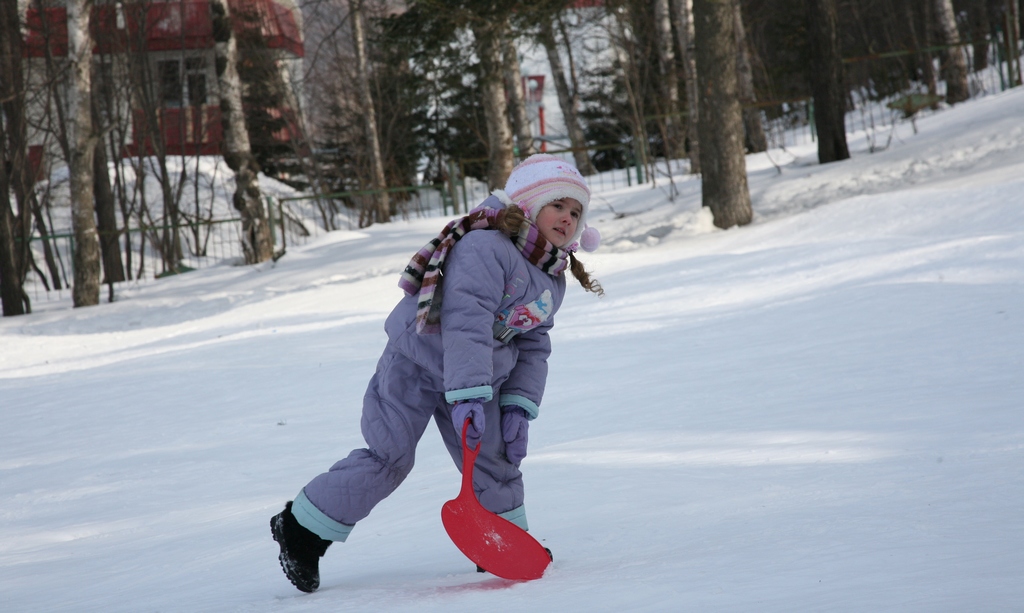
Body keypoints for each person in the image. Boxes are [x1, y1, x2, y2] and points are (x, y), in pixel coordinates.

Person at [270, 154, 604, 592]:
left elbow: (534, 344)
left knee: (495, 461)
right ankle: (302, 528)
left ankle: (504, 543)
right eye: (558, 205)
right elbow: (466, 321)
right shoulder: (485, 248)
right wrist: (465, 396)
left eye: (576, 212)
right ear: (527, 205)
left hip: (479, 378)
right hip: (417, 358)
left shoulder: (552, 277)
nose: (567, 218)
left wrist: (519, 406)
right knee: (389, 456)